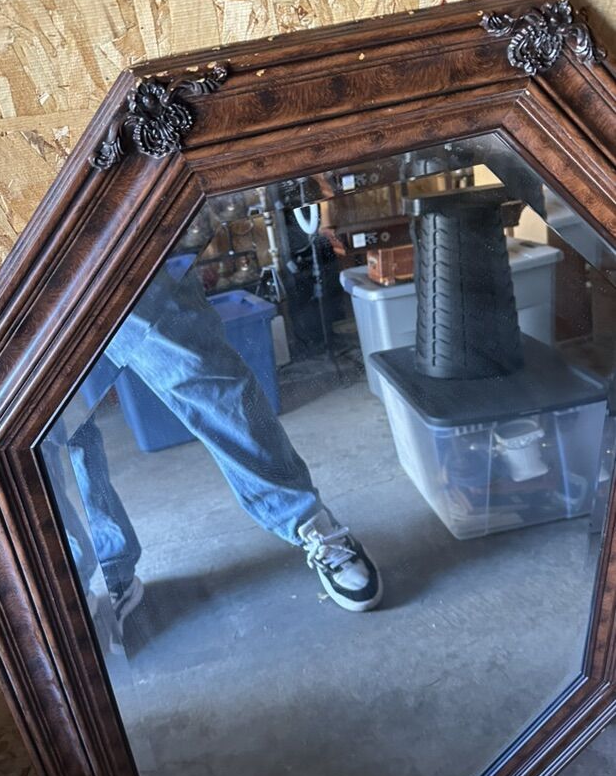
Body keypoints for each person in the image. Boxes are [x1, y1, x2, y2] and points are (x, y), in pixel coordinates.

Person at [43, 245, 382, 651]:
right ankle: (87, 581)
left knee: (204, 374)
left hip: (101, 241)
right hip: (3, 256)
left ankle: (307, 520)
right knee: (45, 430)